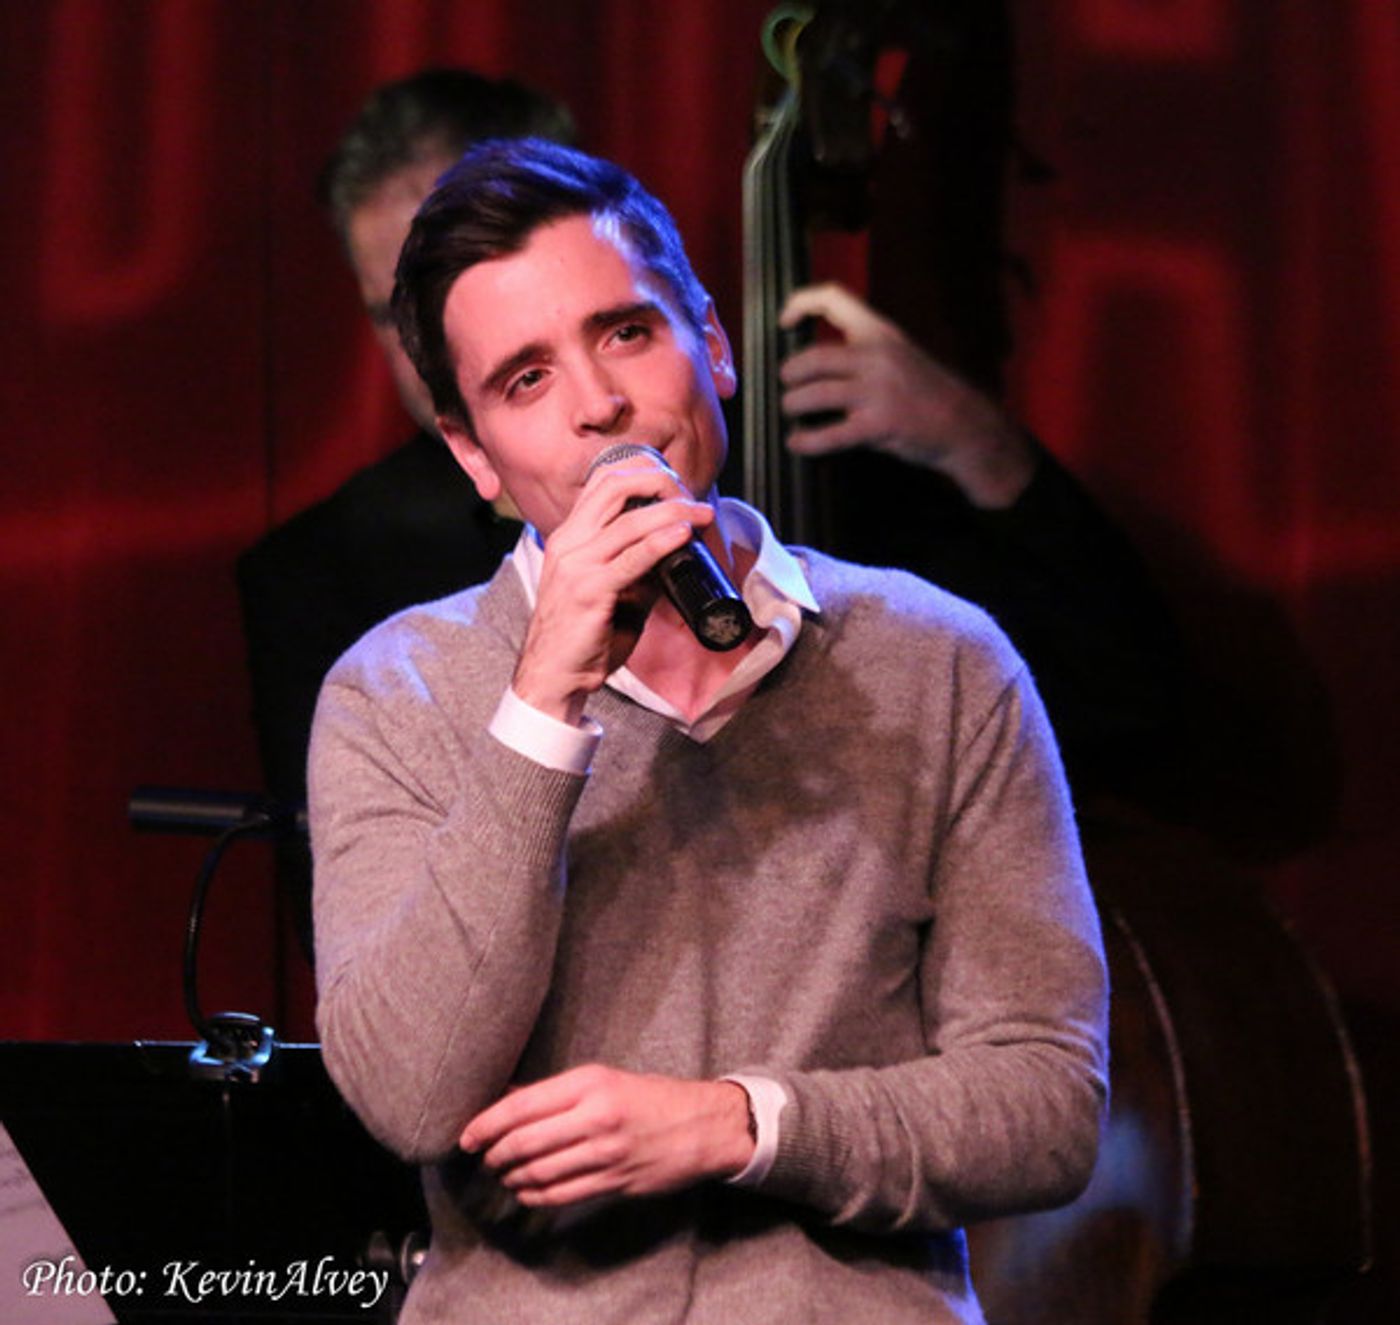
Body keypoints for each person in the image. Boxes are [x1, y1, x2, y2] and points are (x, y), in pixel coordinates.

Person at [309, 138, 1108, 1323]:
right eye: (524, 380)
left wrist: (736, 1123)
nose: (598, 405)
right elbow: (413, 1093)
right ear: (473, 457)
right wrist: (539, 708)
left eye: (626, 332)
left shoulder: (937, 658)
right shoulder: (397, 693)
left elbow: (1044, 1107)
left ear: (712, 346)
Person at [236, 70, 575, 952]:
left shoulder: (777, 484)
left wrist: (984, 459)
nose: (428, 350)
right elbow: (363, 948)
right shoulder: (314, 575)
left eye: (453, 290)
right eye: (394, 315)